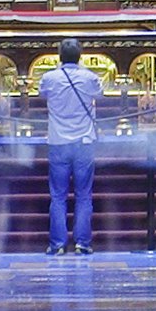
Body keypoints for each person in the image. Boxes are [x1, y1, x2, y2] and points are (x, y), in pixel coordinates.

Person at [43, 37, 104, 256]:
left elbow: (43, 94)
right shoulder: (90, 77)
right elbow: (100, 95)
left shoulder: (49, 77)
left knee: (58, 196)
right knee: (84, 195)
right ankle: (83, 243)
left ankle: (58, 244)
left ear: (60, 56)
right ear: (80, 56)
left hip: (58, 141)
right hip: (84, 142)